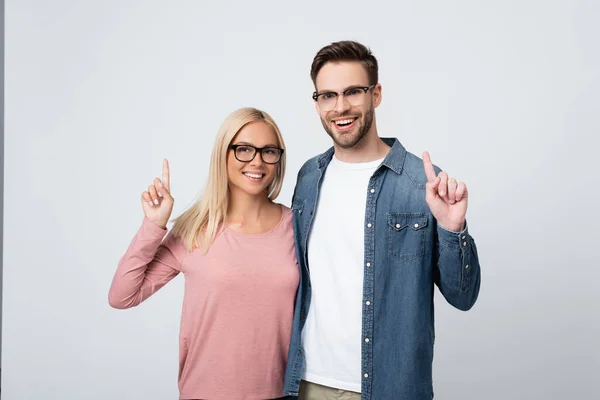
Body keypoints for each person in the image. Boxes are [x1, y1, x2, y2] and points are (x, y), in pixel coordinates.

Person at [282, 41, 482, 400]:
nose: (340, 107)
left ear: (376, 94)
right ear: (316, 103)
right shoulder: (308, 177)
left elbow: (463, 296)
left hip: (392, 386)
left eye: (352, 92)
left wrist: (453, 230)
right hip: (308, 384)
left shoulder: (422, 183)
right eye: (327, 95)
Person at [108, 107, 299, 400]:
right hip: (205, 393)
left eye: (268, 151)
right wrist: (154, 224)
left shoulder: (296, 227)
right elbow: (122, 296)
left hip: (281, 394)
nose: (257, 161)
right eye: (244, 149)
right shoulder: (195, 229)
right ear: (223, 154)